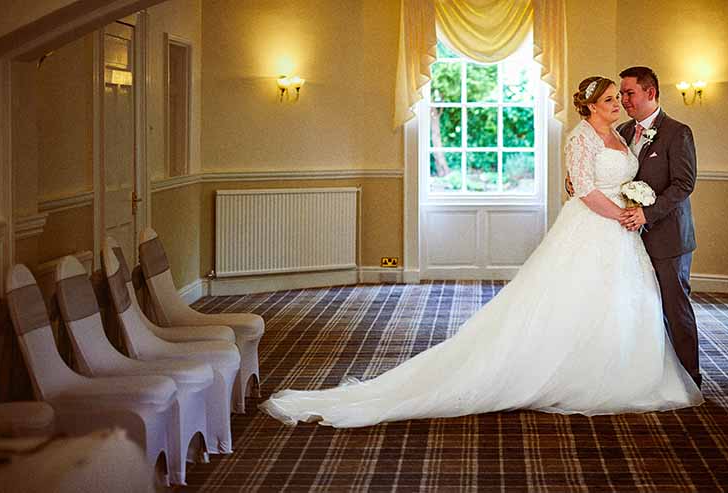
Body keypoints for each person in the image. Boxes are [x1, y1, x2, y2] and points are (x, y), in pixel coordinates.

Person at [259, 76, 703, 428]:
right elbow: (584, 189)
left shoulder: (626, 134)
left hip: (627, 232)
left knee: (624, 304)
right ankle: (566, 373)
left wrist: (632, 210)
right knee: (571, 301)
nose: (618, 103)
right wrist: (621, 213)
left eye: (621, 97)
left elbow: (643, 179)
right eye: (610, 98)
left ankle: (620, 371)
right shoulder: (581, 136)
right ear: (589, 106)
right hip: (598, 226)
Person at [567, 66, 701, 388]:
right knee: (637, 308)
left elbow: (683, 184)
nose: (623, 101)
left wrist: (646, 214)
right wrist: (575, 183)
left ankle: (689, 377)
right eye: (619, 95)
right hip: (626, 236)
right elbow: (602, 174)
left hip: (667, 235)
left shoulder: (677, 132)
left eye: (629, 93)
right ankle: (647, 373)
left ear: (650, 93)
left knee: (674, 306)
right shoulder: (622, 131)